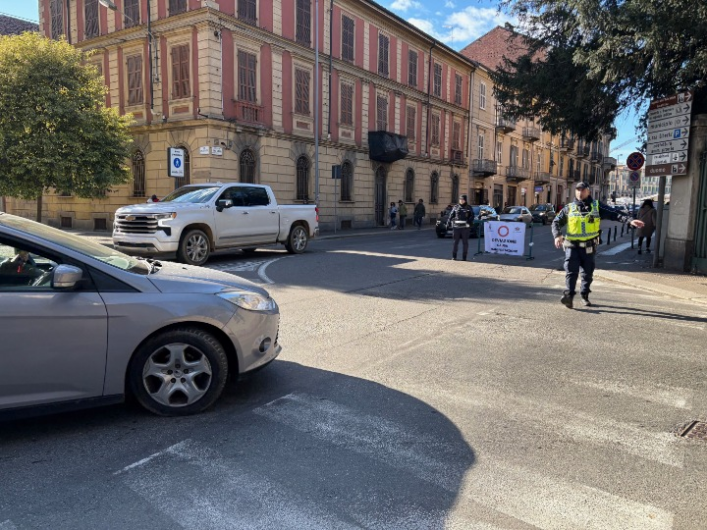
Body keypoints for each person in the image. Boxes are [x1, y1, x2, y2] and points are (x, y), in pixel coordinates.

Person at [552, 182, 644, 308]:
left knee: (587, 273)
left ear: (588, 191)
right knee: (571, 272)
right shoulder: (569, 208)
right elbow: (556, 222)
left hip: (589, 247)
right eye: (578, 190)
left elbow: (614, 213)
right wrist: (557, 235)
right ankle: (569, 296)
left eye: (583, 190)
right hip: (572, 246)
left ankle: (584, 295)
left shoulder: (597, 206)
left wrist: (629, 220)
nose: (580, 192)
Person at [448, 194, 474, 260]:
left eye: (463, 200)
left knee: (465, 242)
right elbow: (451, 215)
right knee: (455, 242)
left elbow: (472, 216)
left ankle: (464, 257)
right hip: (456, 227)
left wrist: (469, 221)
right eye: (460, 199)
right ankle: (454, 256)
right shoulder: (456, 207)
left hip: (465, 228)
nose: (461, 201)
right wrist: (448, 222)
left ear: (465, 200)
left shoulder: (468, 207)